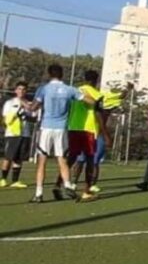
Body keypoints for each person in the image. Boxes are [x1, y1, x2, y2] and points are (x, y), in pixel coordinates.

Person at [31, 64, 96, 203]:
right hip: (61, 128)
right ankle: (67, 184)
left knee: (42, 161)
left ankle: (38, 194)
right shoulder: (69, 89)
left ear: (49, 74)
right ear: (62, 75)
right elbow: (91, 101)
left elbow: (33, 107)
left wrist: (27, 106)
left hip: (46, 127)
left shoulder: (44, 89)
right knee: (62, 159)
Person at [66, 70, 109, 202]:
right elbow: (98, 114)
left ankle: (69, 184)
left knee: (76, 159)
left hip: (73, 127)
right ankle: (86, 191)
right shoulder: (96, 94)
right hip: (88, 130)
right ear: (96, 81)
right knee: (90, 161)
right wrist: (106, 134)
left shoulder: (74, 91)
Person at [1, 82, 32, 189]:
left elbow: (33, 117)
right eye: (19, 89)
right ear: (15, 90)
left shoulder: (29, 104)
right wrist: (16, 114)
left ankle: (15, 180)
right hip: (12, 133)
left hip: (25, 134)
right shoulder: (10, 103)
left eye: (24, 89)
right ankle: (3, 179)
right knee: (8, 157)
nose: (21, 91)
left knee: (19, 158)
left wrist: (27, 111)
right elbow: (5, 118)